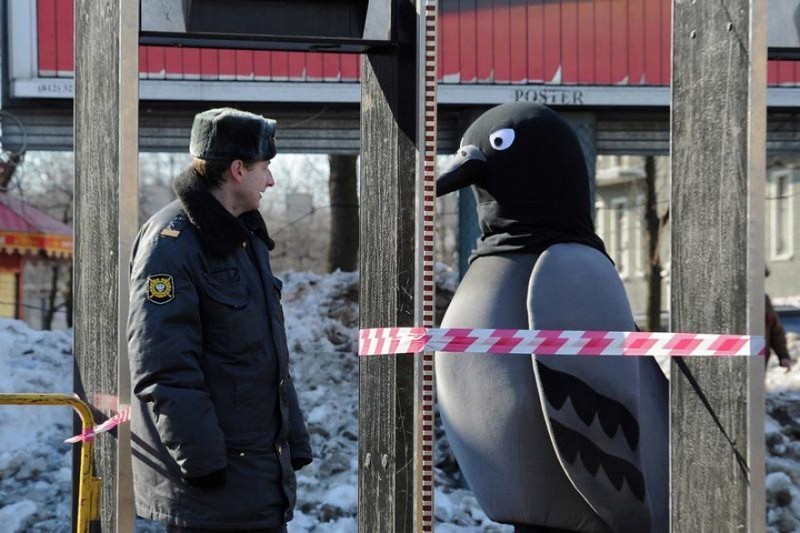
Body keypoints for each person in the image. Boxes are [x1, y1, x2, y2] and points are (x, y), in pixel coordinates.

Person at [127, 107, 312, 532]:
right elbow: (163, 366)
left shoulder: (242, 237)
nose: (270, 180)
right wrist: (205, 464)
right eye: (265, 168)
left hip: (253, 478)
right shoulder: (171, 243)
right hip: (214, 491)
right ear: (236, 169)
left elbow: (262, 354)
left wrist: (293, 441)